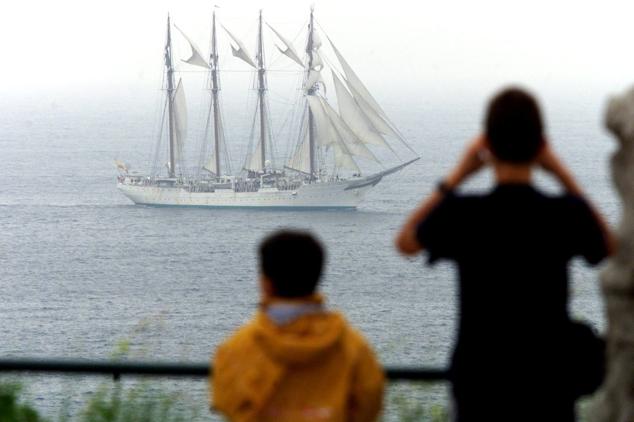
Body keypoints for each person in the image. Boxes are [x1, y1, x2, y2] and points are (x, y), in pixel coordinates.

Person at [396, 87, 615, 421]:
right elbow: (608, 245)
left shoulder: (467, 215)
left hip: (480, 384)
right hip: (547, 385)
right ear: (541, 145)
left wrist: (458, 175)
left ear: (487, 144)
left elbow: (407, 242)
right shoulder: (561, 214)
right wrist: (563, 175)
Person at [211, 230, 384, 422]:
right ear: (318, 277)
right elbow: (370, 403)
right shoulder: (355, 349)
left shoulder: (235, 348)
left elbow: (226, 402)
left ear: (265, 283)